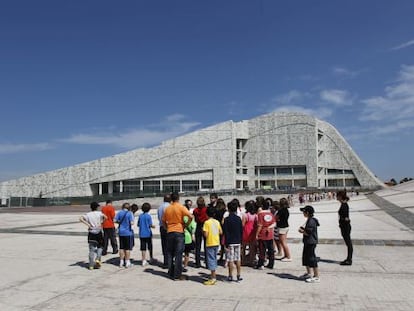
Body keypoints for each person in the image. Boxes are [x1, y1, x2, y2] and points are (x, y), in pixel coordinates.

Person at [162, 192, 193, 280]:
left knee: (170, 253)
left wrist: (166, 227)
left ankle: (170, 272)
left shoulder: (168, 208)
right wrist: (186, 224)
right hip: (179, 230)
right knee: (179, 254)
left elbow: (163, 220)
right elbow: (191, 216)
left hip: (170, 231)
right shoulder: (181, 207)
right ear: (178, 198)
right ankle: (177, 274)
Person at [79, 202, 107, 270]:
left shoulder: (88, 214)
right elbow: (106, 217)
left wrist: (88, 224)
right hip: (99, 231)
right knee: (100, 246)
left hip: (91, 232)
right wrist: (101, 222)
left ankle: (91, 265)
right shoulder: (99, 213)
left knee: (91, 249)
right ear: (97, 207)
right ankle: (98, 258)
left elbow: (81, 218)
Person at [222, 200, 243, 282]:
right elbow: (241, 231)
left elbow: (226, 232)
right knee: (237, 258)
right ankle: (238, 274)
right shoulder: (238, 219)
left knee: (230, 259)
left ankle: (230, 275)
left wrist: (226, 243)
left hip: (230, 241)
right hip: (237, 240)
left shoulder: (227, 219)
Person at [298, 205, 320, 283]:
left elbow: (308, 233)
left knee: (312, 258)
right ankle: (309, 273)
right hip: (308, 242)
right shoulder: (309, 220)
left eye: (303, 212)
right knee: (306, 257)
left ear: (307, 212)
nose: (303, 213)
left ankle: (316, 276)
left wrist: (301, 231)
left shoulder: (311, 221)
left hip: (311, 242)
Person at [203, 207, 222, 285]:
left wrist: (203, 231)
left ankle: (213, 277)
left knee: (211, 260)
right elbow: (221, 232)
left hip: (210, 242)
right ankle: (213, 276)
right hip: (216, 242)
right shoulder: (217, 222)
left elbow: (206, 234)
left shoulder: (206, 222)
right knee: (214, 258)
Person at [255, 200, 276, 270]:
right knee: (270, 249)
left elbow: (260, 225)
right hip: (270, 233)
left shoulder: (260, 214)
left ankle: (261, 264)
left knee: (262, 250)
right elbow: (274, 223)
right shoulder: (271, 214)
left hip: (263, 233)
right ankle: (271, 263)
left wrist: (257, 234)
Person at [115, 202, 135, 268]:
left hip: (121, 232)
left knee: (121, 247)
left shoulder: (119, 213)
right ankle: (127, 261)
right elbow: (132, 223)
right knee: (127, 248)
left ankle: (121, 261)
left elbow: (114, 220)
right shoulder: (130, 213)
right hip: (128, 232)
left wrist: (120, 222)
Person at [337, 190, 353, 266]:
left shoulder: (344, 205)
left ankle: (349, 260)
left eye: (337, 196)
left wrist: (343, 222)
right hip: (344, 226)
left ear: (340, 196)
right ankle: (348, 259)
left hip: (345, 227)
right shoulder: (343, 204)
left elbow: (346, 218)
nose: (336, 197)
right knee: (348, 243)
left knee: (349, 243)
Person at [192, 196, 209, 268]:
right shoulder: (206, 209)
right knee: (206, 246)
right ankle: (207, 263)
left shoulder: (195, 210)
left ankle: (197, 262)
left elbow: (195, 220)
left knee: (197, 246)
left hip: (198, 226)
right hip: (205, 226)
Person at [241, 200, 257, 267]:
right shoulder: (255, 215)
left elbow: (243, 225)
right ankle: (251, 261)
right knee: (251, 248)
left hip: (245, 232)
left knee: (243, 247)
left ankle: (243, 260)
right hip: (253, 232)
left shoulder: (245, 215)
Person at [157, 193, 171, 268]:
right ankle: (169, 262)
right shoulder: (169, 207)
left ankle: (166, 261)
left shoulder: (160, 207)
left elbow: (159, 217)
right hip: (168, 227)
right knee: (170, 245)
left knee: (164, 245)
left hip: (162, 227)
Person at [276, 197, 292, 262]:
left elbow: (276, 217)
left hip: (282, 227)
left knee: (283, 242)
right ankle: (286, 255)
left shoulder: (281, 210)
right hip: (286, 226)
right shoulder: (286, 210)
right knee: (284, 242)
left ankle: (288, 256)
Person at [183, 200, 196, 272]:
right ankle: (185, 265)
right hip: (188, 237)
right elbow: (192, 227)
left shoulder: (181, 216)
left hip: (181, 235)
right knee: (187, 253)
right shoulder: (190, 217)